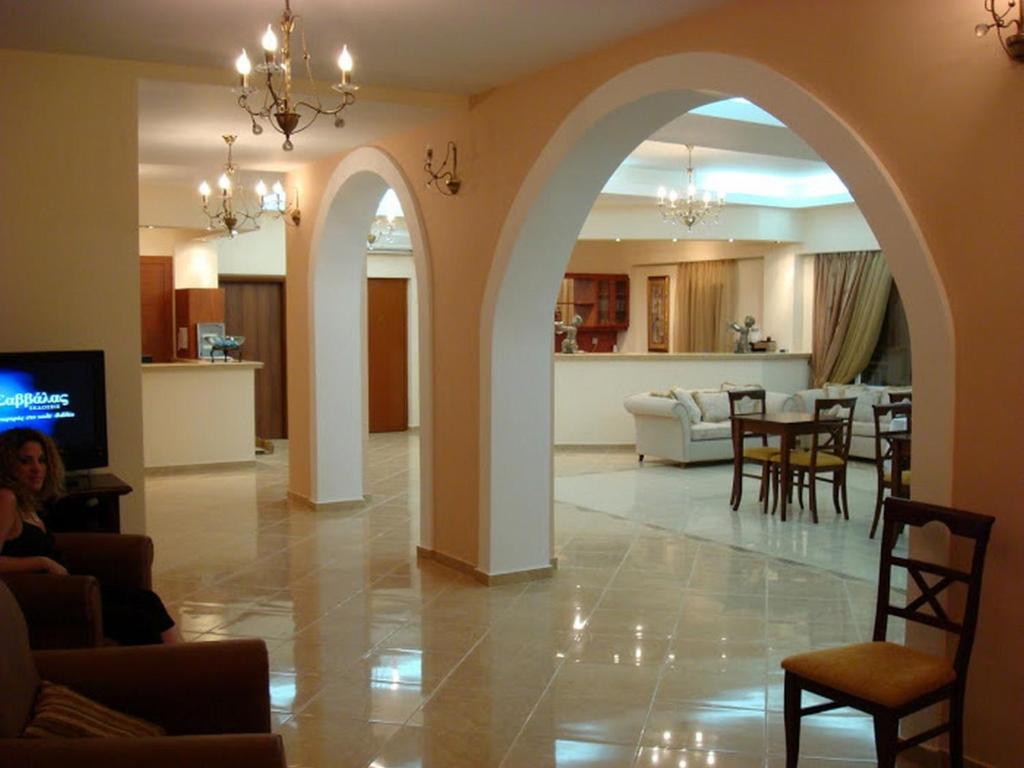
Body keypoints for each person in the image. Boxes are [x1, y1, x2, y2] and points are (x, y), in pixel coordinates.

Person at [0, 428, 180, 645]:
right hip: (51, 594)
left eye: (42, 460)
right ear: (8, 466)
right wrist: (42, 562)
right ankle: (173, 668)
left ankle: (182, 663)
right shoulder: (6, 498)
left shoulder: (27, 501)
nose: (37, 469)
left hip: (69, 583)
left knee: (147, 600)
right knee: (139, 620)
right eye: (25, 461)